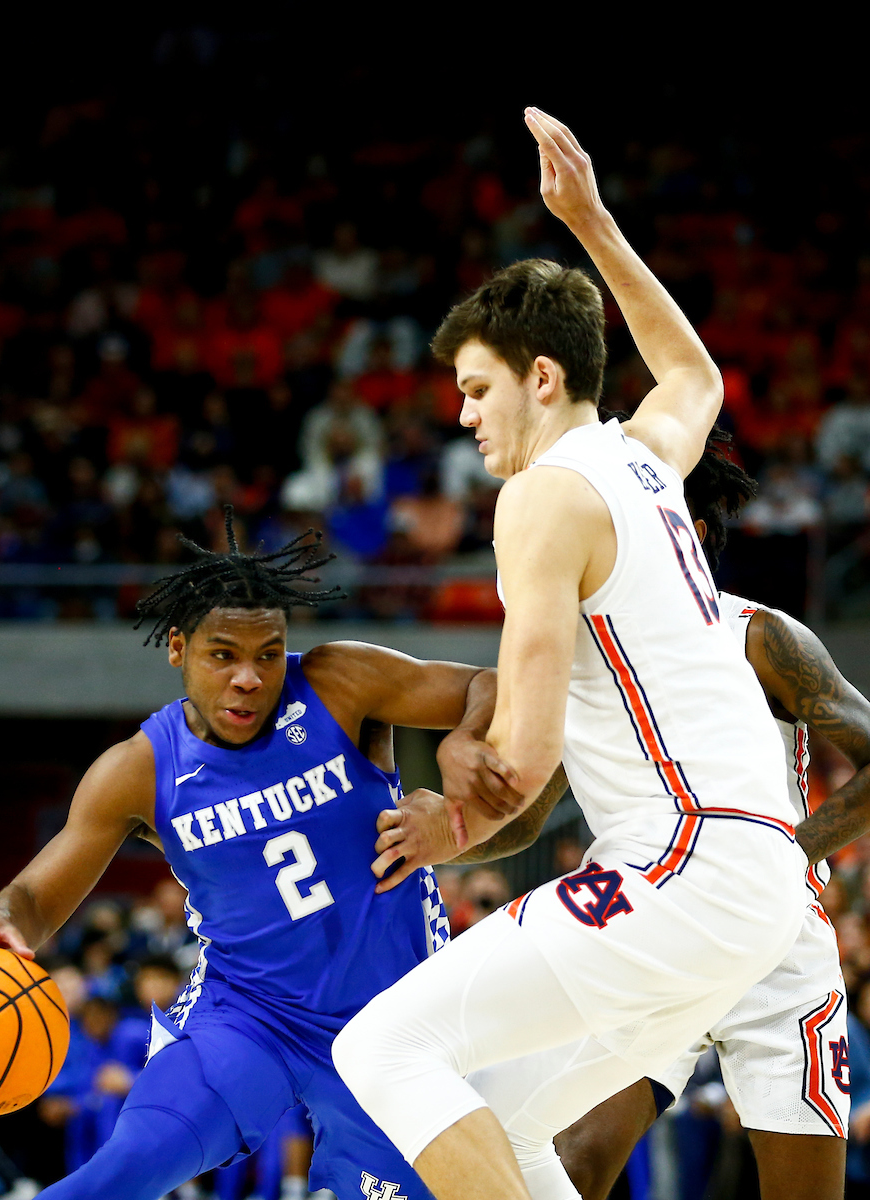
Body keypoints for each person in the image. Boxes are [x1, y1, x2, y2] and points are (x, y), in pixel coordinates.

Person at [330, 108, 808, 1200]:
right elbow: (694, 374)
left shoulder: (543, 498)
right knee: (504, 1129)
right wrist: (591, 221)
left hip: (680, 868)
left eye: (477, 389)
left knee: (382, 1053)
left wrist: (437, 828)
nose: (463, 416)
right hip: (758, 884)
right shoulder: (644, 458)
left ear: (543, 378)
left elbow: (525, 759)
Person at [0, 512, 527, 1200]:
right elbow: (33, 897)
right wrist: (1, 921)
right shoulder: (140, 770)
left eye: (267, 653)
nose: (248, 678)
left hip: (396, 1025)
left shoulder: (338, 683)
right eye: (223, 654)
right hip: (250, 1018)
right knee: (121, 1171)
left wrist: (461, 746)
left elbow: (492, 684)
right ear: (177, 648)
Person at [459, 432, 870, 1200]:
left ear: (690, 534)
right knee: (570, 1160)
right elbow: (523, 815)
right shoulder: (575, 653)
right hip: (648, 926)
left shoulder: (760, 635)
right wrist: (436, 829)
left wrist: (791, 851)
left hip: (773, 935)